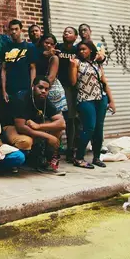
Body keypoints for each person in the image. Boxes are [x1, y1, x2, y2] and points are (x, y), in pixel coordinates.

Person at [69, 41, 117, 169]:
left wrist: (111, 101)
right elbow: (73, 82)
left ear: (91, 50)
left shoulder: (97, 64)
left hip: (101, 98)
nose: (81, 52)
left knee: (99, 129)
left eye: (84, 49)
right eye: (79, 50)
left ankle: (96, 157)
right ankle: (78, 158)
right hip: (85, 98)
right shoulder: (76, 63)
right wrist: (73, 67)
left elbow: (104, 82)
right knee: (89, 127)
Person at [12, 77, 66, 175]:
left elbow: (62, 123)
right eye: (40, 87)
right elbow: (21, 127)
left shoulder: (44, 100)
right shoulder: (22, 98)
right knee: (26, 141)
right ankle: (16, 163)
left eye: (46, 89)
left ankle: (47, 161)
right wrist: (48, 136)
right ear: (33, 87)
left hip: (32, 126)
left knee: (58, 129)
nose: (43, 91)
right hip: (13, 127)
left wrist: (39, 126)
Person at [1, 19, 38, 104]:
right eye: (11, 29)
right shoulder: (5, 47)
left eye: (16, 29)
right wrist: (3, 90)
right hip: (10, 88)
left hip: (25, 88)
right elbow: (3, 69)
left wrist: (32, 88)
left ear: (21, 30)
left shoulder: (29, 47)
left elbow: (33, 68)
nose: (14, 32)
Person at [56, 26, 80, 162]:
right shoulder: (58, 48)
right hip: (59, 86)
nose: (66, 33)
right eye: (65, 31)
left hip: (72, 87)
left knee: (71, 119)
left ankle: (71, 149)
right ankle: (56, 149)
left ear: (75, 37)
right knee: (57, 118)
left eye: (70, 32)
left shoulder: (78, 50)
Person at [35, 33, 67, 116]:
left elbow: (51, 77)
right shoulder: (36, 54)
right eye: (46, 42)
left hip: (49, 89)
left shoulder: (54, 58)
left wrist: (41, 88)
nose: (49, 45)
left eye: (51, 44)